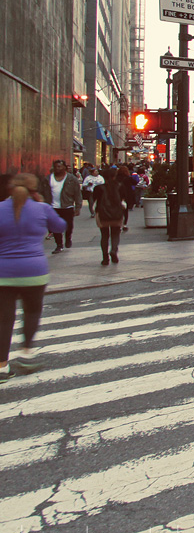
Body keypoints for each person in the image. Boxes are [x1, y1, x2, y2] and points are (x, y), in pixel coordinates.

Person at [0, 173, 66, 380]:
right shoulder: (41, 209)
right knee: (32, 312)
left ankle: (2, 366)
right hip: (34, 271)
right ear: (34, 190)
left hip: (3, 272)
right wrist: (44, 205)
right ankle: (26, 353)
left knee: (3, 319)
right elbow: (60, 227)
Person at [39, 159, 81, 252]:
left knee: (69, 225)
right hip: (53, 207)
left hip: (67, 206)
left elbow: (77, 194)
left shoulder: (71, 179)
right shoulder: (48, 179)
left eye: (59, 166)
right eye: (55, 166)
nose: (57, 168)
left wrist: (78, 207)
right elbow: (41, 192)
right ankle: (59, 245)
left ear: (64, 168)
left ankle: (68, 238)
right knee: (55, 226)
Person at [92, 166, 127, 265]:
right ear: (114, 176)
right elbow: (124, 199)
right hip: (116, 213)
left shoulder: (98, 188)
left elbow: (94, 200)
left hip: (103, 214)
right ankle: (114, 250)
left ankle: (105, 257)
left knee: (104, 235)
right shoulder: (120, 186)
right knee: (115, 233)